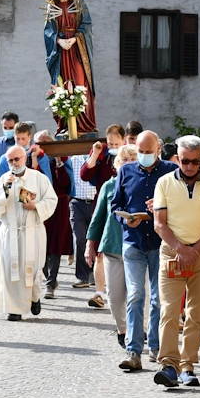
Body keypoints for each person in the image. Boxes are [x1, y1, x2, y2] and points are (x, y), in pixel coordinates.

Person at [152, 136, 200, 387]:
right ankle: (168, 364)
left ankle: (188, 366)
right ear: (177, 159)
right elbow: (159, 223)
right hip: (173, 253)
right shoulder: (164, 183)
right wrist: (181, 249)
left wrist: (194, 251)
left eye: (195, 162)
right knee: (170, 310)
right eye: (184, 161)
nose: (190, 167)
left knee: (196, 312)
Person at [111, 130, 177, 372]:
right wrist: (125, 220)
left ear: (158, 149)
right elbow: (115, 204)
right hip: (134, 242)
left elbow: (182, 204)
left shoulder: (170, 171)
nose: (145, 156)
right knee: (136, 295)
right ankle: (134, 351)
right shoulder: (126, 171)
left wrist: (161, 207)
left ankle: (156, 348)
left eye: (149, 152)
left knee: (159, 298)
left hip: (162, 243)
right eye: (141, 152)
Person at [0, 145, 58, 320]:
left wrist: (35, 206)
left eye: (17, 159)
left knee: (33, 268)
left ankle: (34, 297)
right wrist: (5, 188)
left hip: (32, 231)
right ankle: (15, 309)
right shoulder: (4, 179)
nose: (14, 163)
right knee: (11, 270)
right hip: (10, 232)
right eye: (10, 160)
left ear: (25, 158)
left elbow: (52, 200)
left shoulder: (38, 178)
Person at [86, 144, 138, 348]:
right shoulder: (109, 186)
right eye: (124, 159)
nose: (128, 162)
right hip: (113, 245)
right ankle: (122, 328)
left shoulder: (147, 184)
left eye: (133, 158)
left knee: (137, 293)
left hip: (139, 247)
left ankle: (138, 330)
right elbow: (98, 218)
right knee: (115, 296)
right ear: (117, 164)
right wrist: (90, 245)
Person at [43, 0, 96, 134]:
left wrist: (74, 39)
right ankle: (66, 126)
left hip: (77, 50)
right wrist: (58, 41)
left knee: (80, 83)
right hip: (61, 53)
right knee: (63, 85)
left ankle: (84, 125)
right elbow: (48, 31)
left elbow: (86, 25)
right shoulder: (52, 7)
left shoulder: (79, 3)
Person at [79, 124, 125, 295]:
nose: (113, 147)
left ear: (124, 140)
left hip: (124, 206)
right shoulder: (102, 152)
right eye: (110, 143)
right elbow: (85, 175)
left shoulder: (128, 155)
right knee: (100, 249)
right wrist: (96, 154)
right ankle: (99, 292)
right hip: (103, 204)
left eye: (116, 144)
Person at [34, 131, 72, 300]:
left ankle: (51, 283)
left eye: (44, 144)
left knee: (55, 245)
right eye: (37, 144)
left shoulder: (62, 159)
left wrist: (58, 161)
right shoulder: (32, 158)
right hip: (39, 206)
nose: (40, 147)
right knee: (41, 244)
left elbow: (65, 183)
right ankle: (46, 275)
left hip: (59, 205)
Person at [68, 150, 98, 292]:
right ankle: (82, 276)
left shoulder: (99, 157)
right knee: (80, 238)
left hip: (95, 203)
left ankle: (94, 272)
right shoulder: (75, 159)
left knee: (95, 238)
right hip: (77, 203)